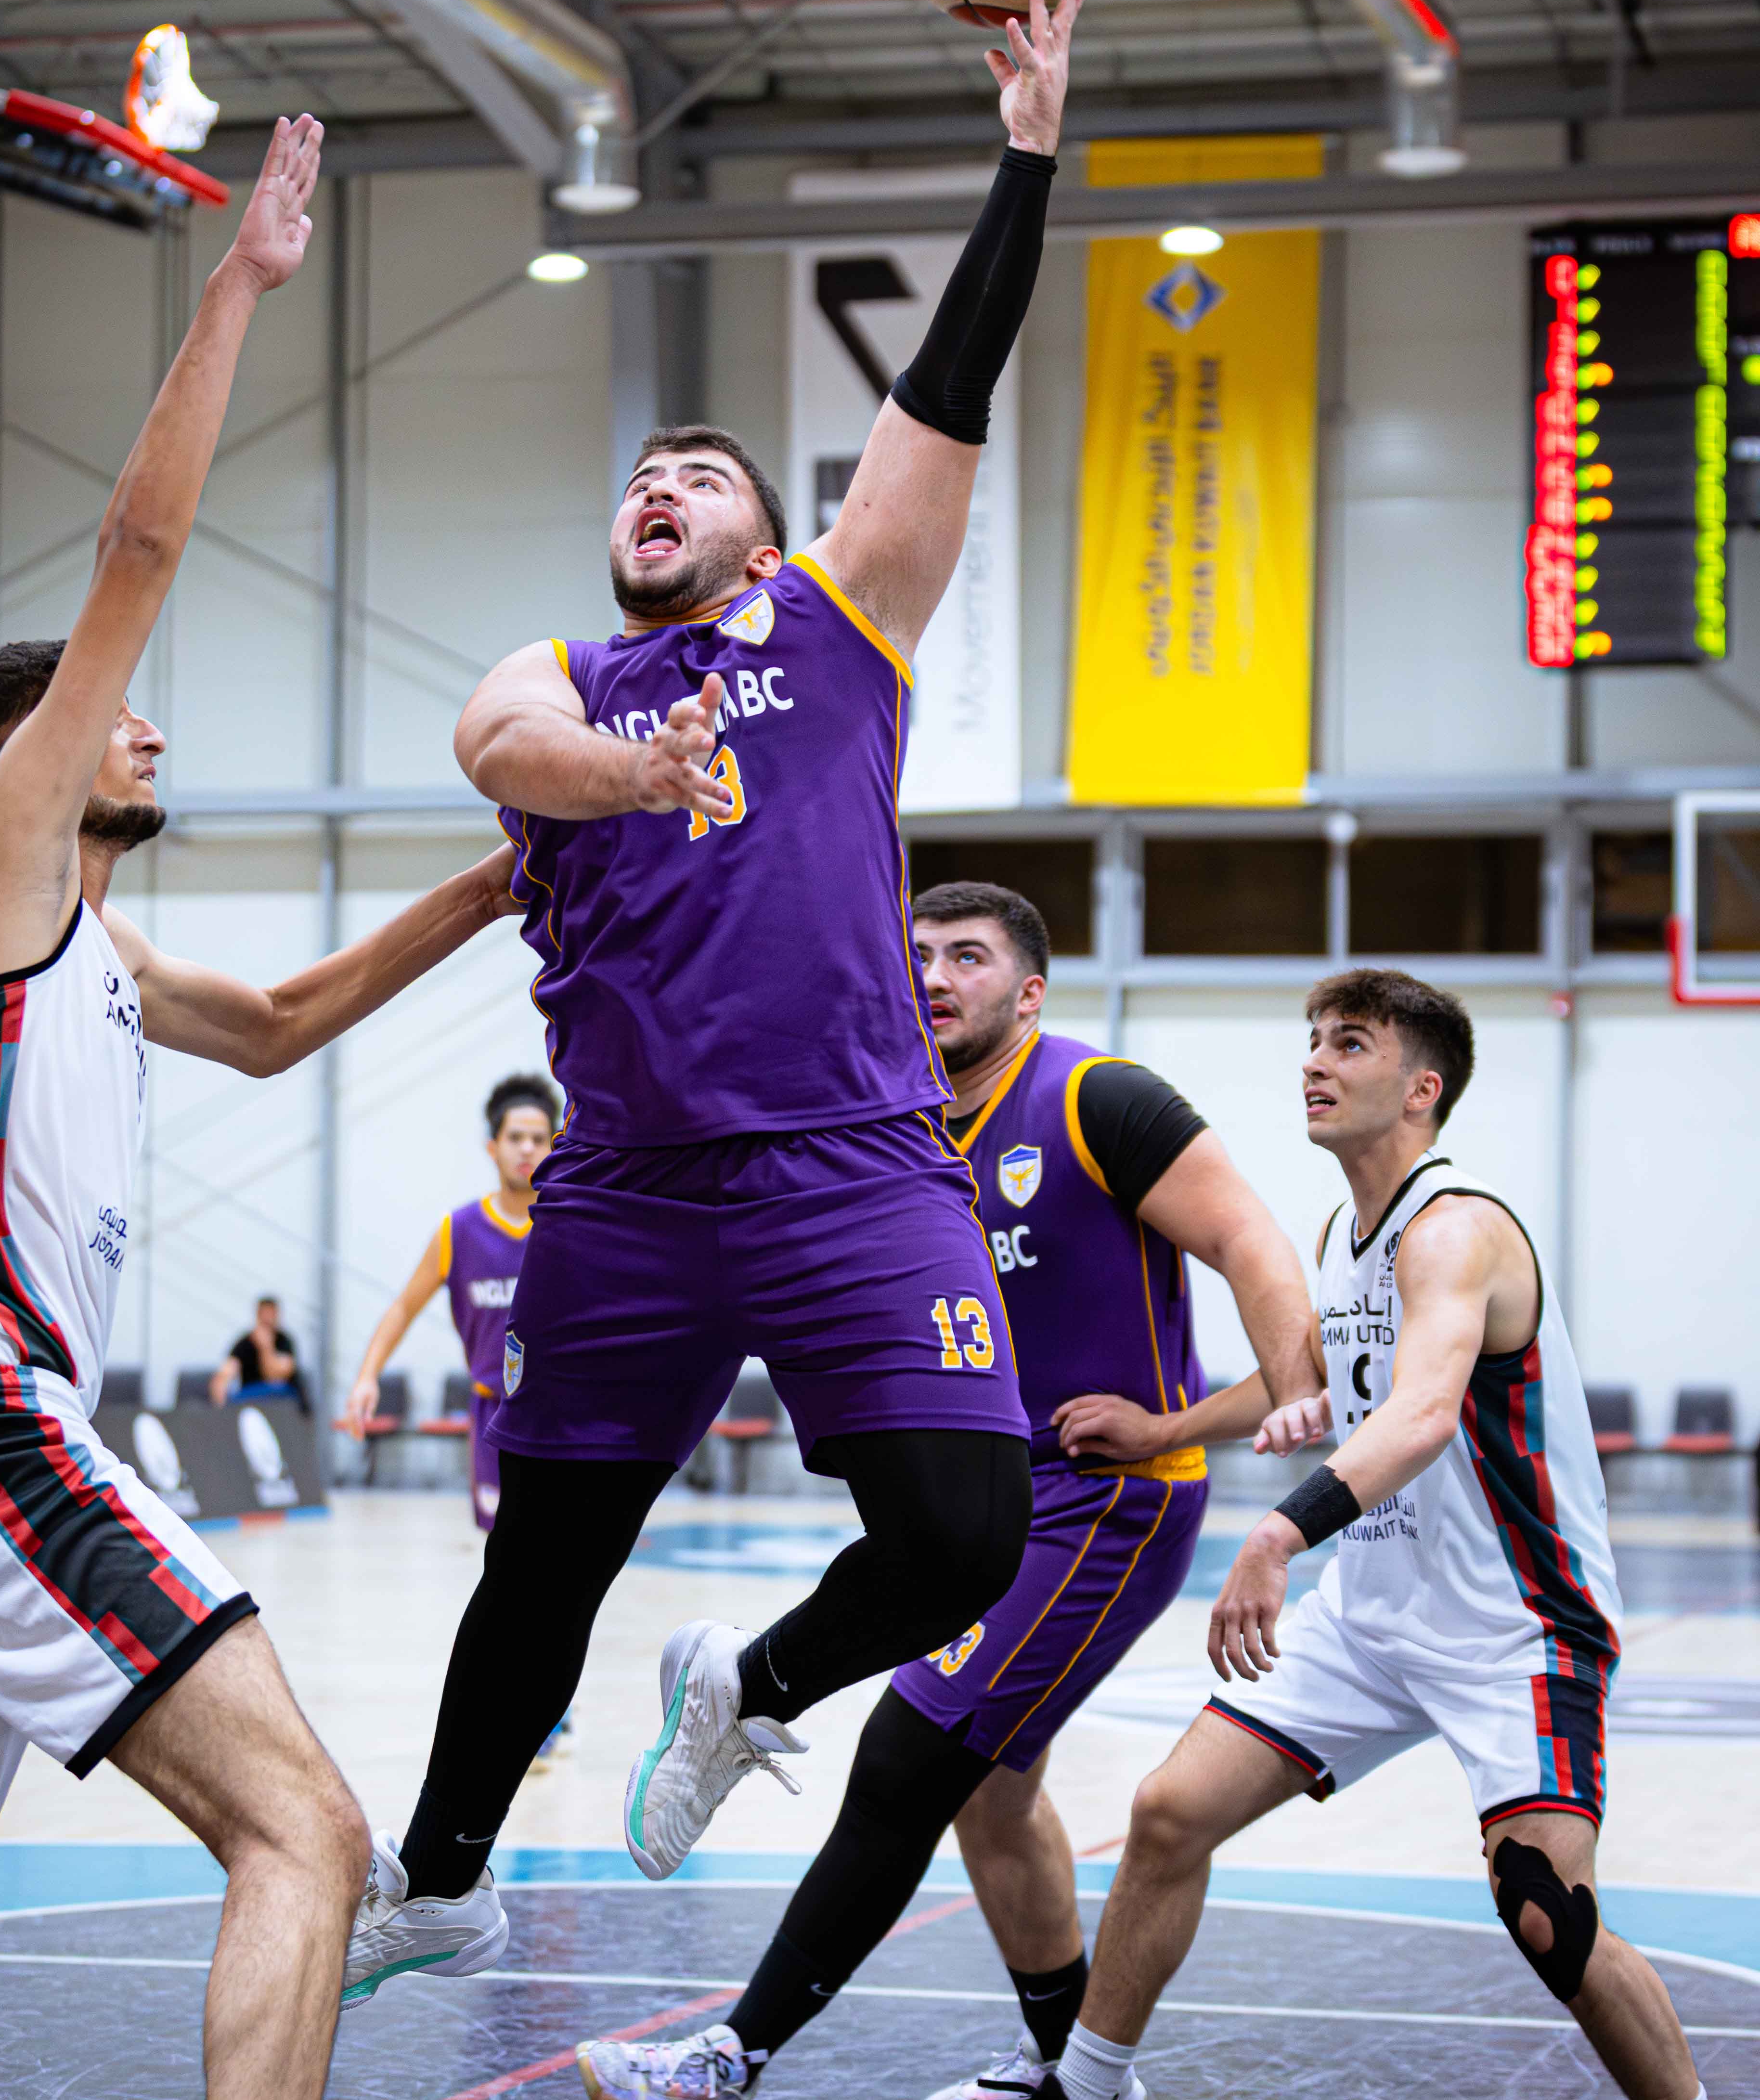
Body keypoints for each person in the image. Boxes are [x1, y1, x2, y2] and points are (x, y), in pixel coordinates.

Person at [343, 0, 1085, 2014]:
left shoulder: (839, 621)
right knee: (541, 1559)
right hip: (632, 1185)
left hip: (853, 1158)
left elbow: (948, 381)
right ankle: (441, 1874)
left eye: (697, 471)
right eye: (639, 473)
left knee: (964, 1530)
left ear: (764, 534)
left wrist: (1025, 152)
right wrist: (627, 769)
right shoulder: (567, 678)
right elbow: (497, 745)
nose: (656, 483)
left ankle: (745, 1687)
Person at [0, 117, 522, 2094]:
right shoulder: (8, 885)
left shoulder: (101, 958)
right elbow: (134, 556)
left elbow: (290, 1019)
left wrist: (502, 881)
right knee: (306, 1827)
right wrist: (239, 288)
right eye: (108, 712)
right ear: (32, 763)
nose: (147, 721)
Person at [575, 881, 1322, 2100]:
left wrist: (1257, 1401)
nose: (931, 976)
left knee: (903, 1755)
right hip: (986, 1505)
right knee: (991, 1798)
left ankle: (727, 2055)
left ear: (1027, 992)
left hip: (1106, 1502)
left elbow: (1251, 1240)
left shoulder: (1094, 1098)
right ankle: (1071, 2068)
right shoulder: (897, 1129)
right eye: (915, 952)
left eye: (965, 957)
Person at [1046, 970, 1703, 2100]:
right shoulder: (1345, 1234)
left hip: (1514, 1629)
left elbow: (1420, 1411)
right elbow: (1312, 1380)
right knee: (1166, 1812)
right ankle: (1087, 2086)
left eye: (1349, 1043)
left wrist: (1278, 1534)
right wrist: (1163, 1428)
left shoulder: (1456, 1230)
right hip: (1369, 1620)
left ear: (1420, 1089)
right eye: (1312, 1040)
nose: (1314, 1060)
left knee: (1546, 1915)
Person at [345, 1071, 560, 1530]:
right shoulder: (458, 1231)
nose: (526, 1149)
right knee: (504, 1545)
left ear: (555, 1146)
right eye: (515, 1137)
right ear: (492, 1147)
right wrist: (367, 1376)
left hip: (564, 1411)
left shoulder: (572, 1225)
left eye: (538, 1139)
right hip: (494, 1413)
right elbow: (403, 1308)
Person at [211, 1294, 308, 1412]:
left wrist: (266, 1348)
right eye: (264, 1314)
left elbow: (275, 1377)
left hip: (281, 1397)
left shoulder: (284, 1341)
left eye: (271, 1315)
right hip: (250, 1395)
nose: (267, 1319)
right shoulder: (245, 1343)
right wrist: (220, 1400)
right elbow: (226, 1372)